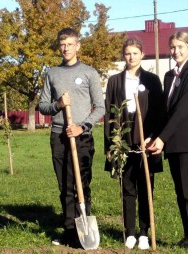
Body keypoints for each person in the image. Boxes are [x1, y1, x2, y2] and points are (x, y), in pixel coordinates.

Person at [38, 27, 105, 247]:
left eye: (70, 44)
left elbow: (100, 107)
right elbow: (42, 106)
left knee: (82, 184)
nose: (65, 48)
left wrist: (82, 126)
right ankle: (69, 230)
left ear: (78, 46)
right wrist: (58, 105)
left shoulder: (89, 73)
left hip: (81, 136)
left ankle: (83, 227)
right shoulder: (52, 74)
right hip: (59, 135)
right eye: (62, 44)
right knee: (65, 185)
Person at [147, 31, 188, 249]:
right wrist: (154, 135)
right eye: (173, 47)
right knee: (180, 190)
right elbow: (165, 111)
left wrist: (162, 138)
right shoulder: (169, 76)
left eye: (180, 46)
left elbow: (183, 109)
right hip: (172, 142)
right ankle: (187, 235)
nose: (176, 51)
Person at [104, 37, 164, 250]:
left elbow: (159, 112)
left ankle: (144, 232)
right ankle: (130, 232)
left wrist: (154, 136)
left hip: (146, 139)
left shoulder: (152, 80)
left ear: (142, 55)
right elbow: (110, 115)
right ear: (123, 55)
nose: (131, 57)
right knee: (127, 187)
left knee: (146, 188)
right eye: (127, 53)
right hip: (124, 140)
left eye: (135, 53)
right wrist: (110, 146)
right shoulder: (114, 81)